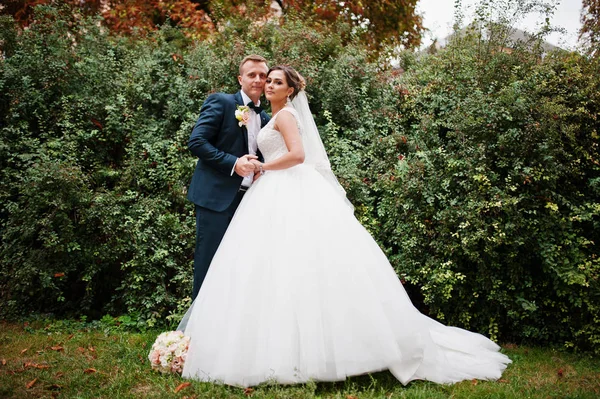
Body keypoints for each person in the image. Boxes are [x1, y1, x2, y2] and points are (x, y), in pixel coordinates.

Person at [177, 66, 511, 387]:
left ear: (290, 90)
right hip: (270, 192)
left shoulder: (287, 116)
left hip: (286, 188)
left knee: (301, 265)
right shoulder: (267, 116)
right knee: (273, 268)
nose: (269, 85)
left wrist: (264, 165)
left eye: (277, 82)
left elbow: (297, 155)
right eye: (268, 81)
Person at [186, 54, 270, 300]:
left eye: (262, 75)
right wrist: (234, 163)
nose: (257, 79)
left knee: (238, 267)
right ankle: (195, 333)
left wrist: (260, 169)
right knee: (208, 264)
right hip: (216, 199)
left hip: (249, 202)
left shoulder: (265, 118)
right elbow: (197, 142)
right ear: (240, 78)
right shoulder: (221, 103)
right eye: (252, 74)